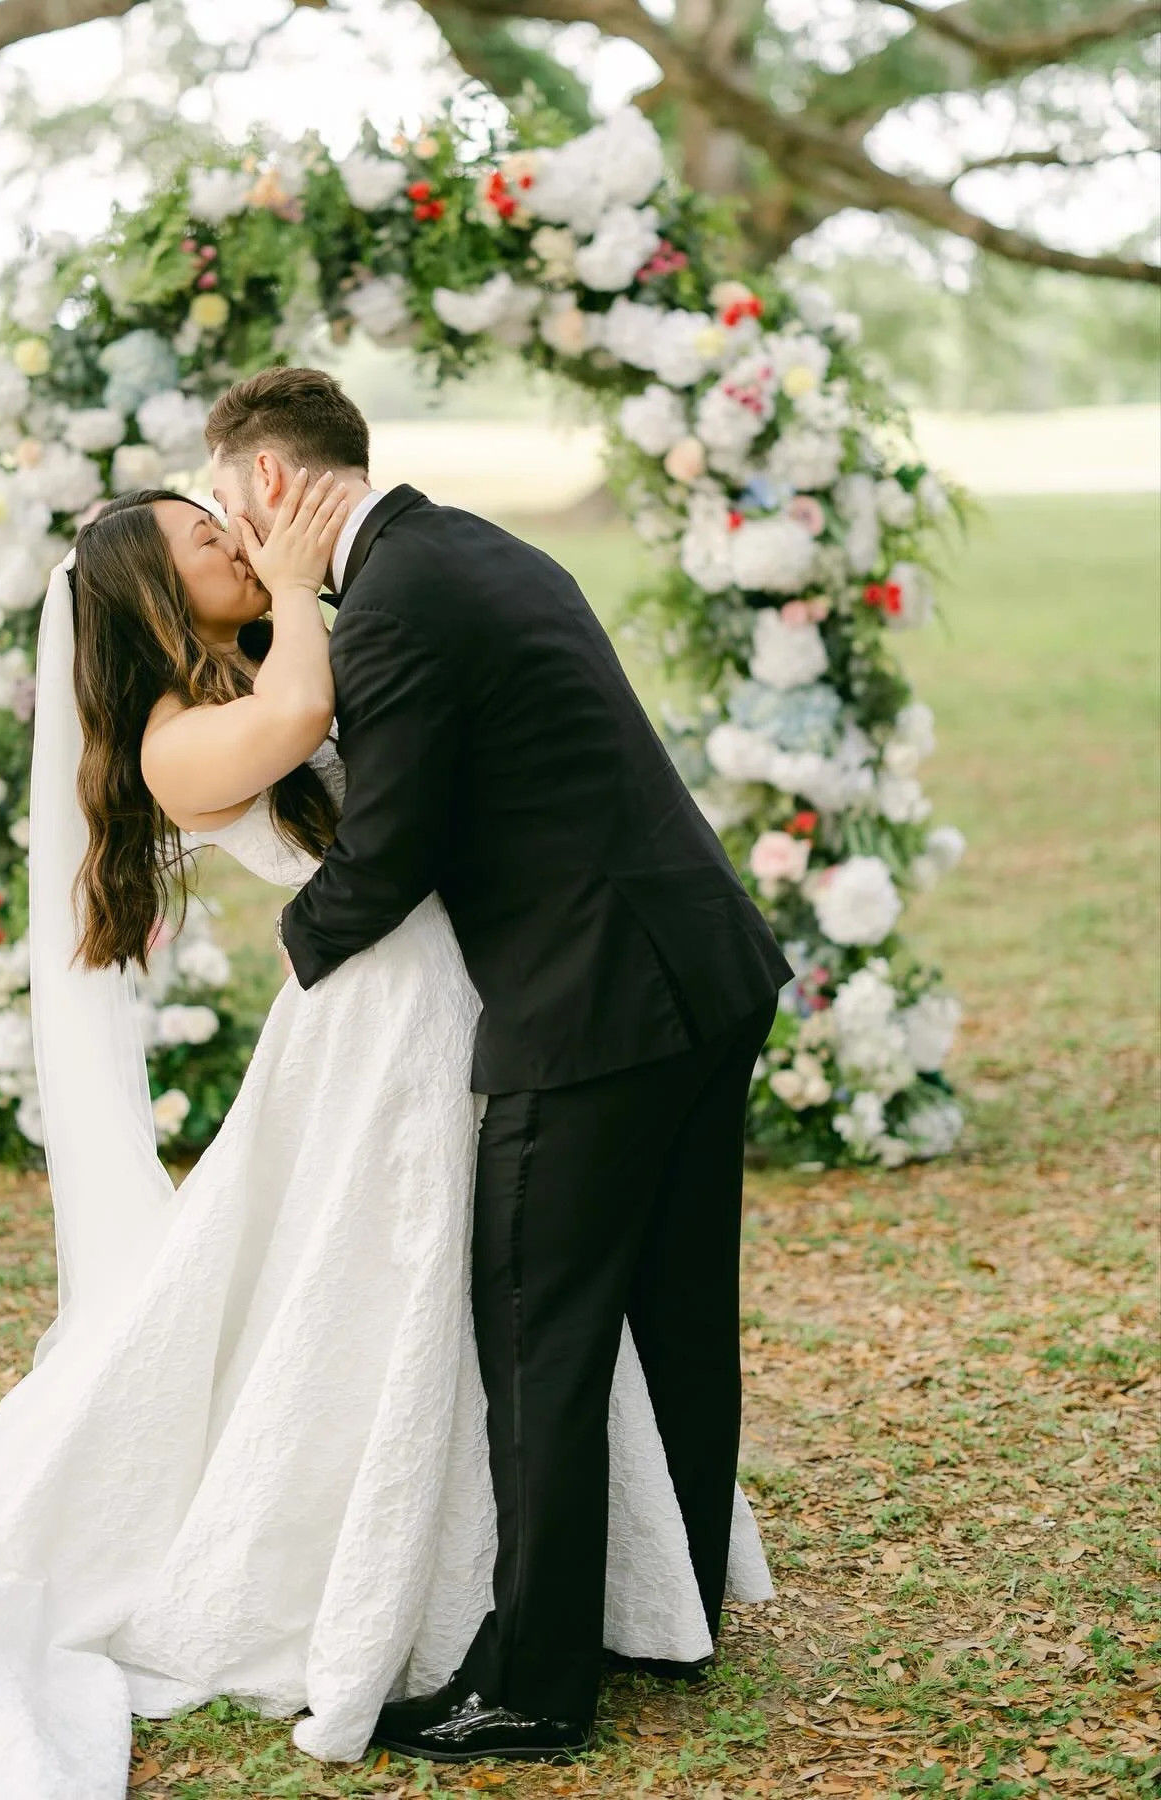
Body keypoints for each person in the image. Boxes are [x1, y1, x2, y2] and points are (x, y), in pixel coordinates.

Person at [0, 444, 771, 1798]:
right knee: (425, 1297)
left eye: (224, 522)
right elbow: (299, 725)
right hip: (371, 1019)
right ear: (155, 598)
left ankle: (558, 1595)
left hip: (467, 995)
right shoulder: (181, 732)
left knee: (502, 1305)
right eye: (199, 541)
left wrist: (296, 590)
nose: (230, 540)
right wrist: (296, 581)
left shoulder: (301, 638)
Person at [206, 366, 793, 1763]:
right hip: (701, 966)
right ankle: (676, 1604)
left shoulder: (400, 596)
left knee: (536, 1328)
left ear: (277, 482)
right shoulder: (468, 545)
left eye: (230, 500)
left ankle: (533, 1682)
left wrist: (296, 961)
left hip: (596, 1009)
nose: (232, 526)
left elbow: (391, 850)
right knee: (675, 1311)